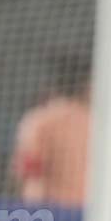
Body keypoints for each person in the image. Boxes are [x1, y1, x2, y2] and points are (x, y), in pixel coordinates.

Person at [11, 80, 91, 208]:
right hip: (88, 209)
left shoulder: (41, 120)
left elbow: (27, 168)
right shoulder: (96, 124)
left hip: (46, 209)